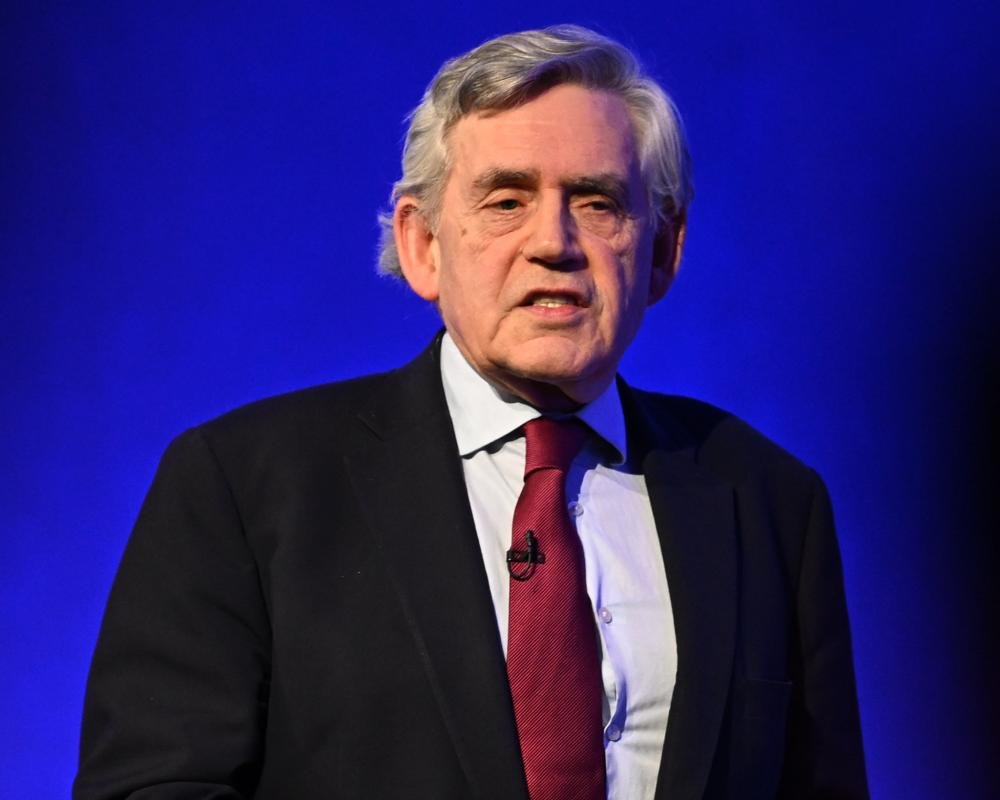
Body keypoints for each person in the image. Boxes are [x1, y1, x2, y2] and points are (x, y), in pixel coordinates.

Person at [74, 25, 868, 800]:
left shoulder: (770, 503)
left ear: (662, 250)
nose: (553, 242)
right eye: (506, 200)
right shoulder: (243, 488)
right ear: (422, 245)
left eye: (596, 202)